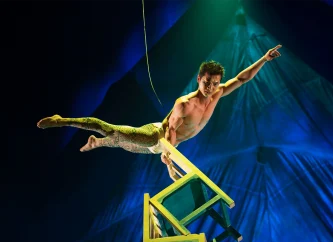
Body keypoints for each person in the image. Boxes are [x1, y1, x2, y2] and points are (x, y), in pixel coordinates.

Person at [37, 45, 282, 165]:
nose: (210, 87)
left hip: (162, 147)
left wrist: (264, 59)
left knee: (123, 145)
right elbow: (170, 133)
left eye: (214, 83)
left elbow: (241, 78)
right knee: (112, 130)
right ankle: (63, 120)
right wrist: (169, 159)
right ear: (199, 79)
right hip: (158, 136)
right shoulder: (184, 104)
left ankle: (97, 143)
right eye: (207, 82)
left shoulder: (217, 93)